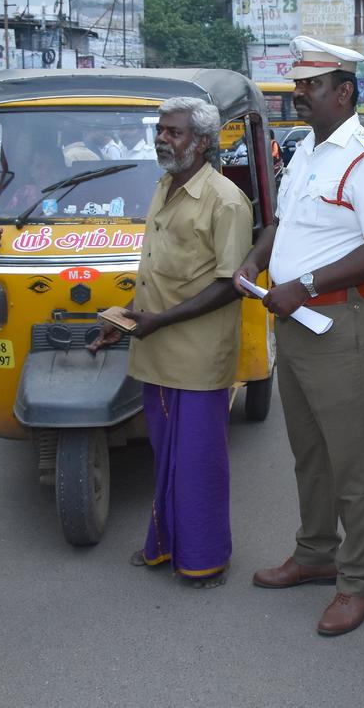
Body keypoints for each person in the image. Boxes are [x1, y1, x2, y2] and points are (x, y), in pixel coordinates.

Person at [233, 36, 364, 636]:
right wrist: (257, 260)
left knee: (352, 457)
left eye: (309, 86)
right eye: (298, 85)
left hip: (341, 321)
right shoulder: (305, 150)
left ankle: (359, 580)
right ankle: (315, 553)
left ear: (345, 91)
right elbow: (281, 222)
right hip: (297, 321)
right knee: (309, 450)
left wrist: (303, 282)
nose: (298, 95)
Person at [88, 96, 253, 588]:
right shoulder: (164, 185)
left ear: (202, 143)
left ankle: (203, 559)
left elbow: (230, 285)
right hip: (154, 350)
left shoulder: (225, 200)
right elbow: (154, 275)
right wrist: (122, 322)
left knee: (198, 462)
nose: (162, 138)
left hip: (198, 356)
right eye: (160, 130)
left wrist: (158, 322)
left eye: (174, 132)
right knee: (166, 457)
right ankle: (164, 545)